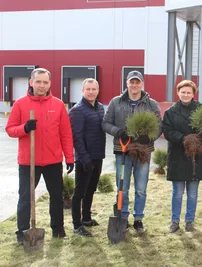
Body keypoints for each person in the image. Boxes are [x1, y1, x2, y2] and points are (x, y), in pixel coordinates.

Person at [6, 68, 74, 244]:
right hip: (29, 162)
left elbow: (65, 133)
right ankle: (22, 232)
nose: (41, 85)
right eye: (38, 81)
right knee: (26, 198)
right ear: (31, 82)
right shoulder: (20, 104)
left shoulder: (58, 105)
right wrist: (25, 128)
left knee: (57, 197)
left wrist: (70, 157)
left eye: (45, 82)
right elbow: (10, 129)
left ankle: (58, 230)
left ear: (50, 84)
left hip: (53, 161)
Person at [102, 70, 162, 233]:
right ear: (127, 83)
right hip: (123, 151)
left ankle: (138, 219)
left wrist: (149, 138)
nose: (134, 85)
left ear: (142, 84)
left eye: (137, 82)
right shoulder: (116, 102)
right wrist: (117, 131)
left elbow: (159, 126)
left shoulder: (151, 104)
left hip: (143, 152)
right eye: (132, 82)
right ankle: (122, 217)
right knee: (123, 186)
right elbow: (105, 123)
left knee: (141, 188)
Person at [162, 80, 202, 233]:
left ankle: (190, 221)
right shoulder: (171, 112)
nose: (186, 95)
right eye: (183, 92)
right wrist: (184, 139)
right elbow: (168, 132)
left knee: (193, 192)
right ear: (178, 93)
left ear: (193, 94)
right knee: (177, 192)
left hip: (196, 156)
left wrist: (197, 140)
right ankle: (175, 221)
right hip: (178, 155)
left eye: (189, 92)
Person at [69, 78, 106, 237]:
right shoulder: (78, 110)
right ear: (83, 91)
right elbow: (76, 137)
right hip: (85, 158)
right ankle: (77, 225)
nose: (91, 92)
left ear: (98, 90)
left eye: (94, 89)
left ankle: (86, 218)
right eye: (88, 89)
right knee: (80, 192)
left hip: (98, 156)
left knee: (91, 189)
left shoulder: (100, 108)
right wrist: (84, 159)